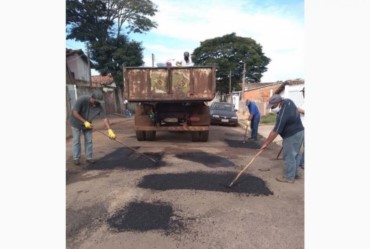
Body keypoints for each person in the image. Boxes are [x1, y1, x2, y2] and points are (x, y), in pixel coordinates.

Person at [260, 94, 304, 183]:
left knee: (289, 155)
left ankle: (288, 177)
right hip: (300, 132)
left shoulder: (283, 114)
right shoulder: (289, 101)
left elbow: (275, 131)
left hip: (292, 135)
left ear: (278, 102)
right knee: (296, 154)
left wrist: (266, 143)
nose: (272, 108)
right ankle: (294, 174)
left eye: (273, 106)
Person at [69, 89, 117, 165]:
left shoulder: (98, 106)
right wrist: (84, 121)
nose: (98, 102)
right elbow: (75, 113)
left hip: (88, 124)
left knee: (89, 140)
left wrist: (109, 130)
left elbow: (104, 118)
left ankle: (89, 158)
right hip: (76, 123)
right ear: (93, 97)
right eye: (96, 100)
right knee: (76, 140)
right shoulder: (82, 100)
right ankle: (76, 158)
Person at [297, 87, 305, 169]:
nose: (302, 94)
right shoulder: (304, 102)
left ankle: (303, 163)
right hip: (301, 127)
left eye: (303, 92)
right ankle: (300, 162)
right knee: (298, 145)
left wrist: (300, 110)